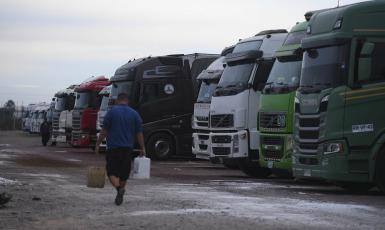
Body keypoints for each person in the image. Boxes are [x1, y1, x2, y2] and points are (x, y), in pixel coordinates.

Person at [95, 93, 146, 205]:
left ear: (117, 101)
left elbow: (104, 131)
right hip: (128, 149)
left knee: (111, 173)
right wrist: (143, 148)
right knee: (124, 174)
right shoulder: (135, 114)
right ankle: (120, 194)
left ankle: (119, 189)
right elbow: (139, 133)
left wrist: (98, 144)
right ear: (127, 101)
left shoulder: (111, 112)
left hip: (113, 148)